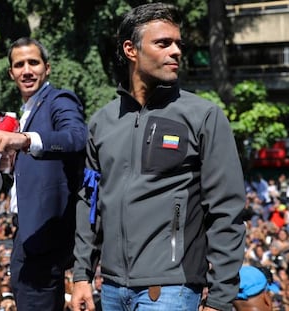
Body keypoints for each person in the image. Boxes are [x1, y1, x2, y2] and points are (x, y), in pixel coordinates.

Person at [71, 3, 246, 311]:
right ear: (131, 49)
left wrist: (220, 299)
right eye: (163, 43)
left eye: (178, 43)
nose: (176, 51)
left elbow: (226, 210)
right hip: (110, 290)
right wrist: (82, 276)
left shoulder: (204, 116)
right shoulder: (101, 122)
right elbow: (90, 203)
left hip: (172, 291)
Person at [0, 37, 87, 311]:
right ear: (11, 73)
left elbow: (76, 137)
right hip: (25, 229)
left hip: (46, 233)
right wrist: (4, 164)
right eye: (19, 64)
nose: (26, 70)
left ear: (47, 68)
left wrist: (24, 140)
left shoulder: (59, 99)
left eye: (33, 62)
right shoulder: (23, 113)